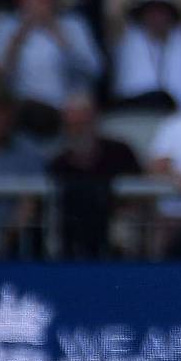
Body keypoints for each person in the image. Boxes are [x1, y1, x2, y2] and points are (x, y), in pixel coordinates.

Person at [0, 0, 104, 135]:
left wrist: (58, 34)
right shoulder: (6, 26)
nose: (38, 0)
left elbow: (94, 70)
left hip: (65, 110)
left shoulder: (74, 25)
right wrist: (20, 36)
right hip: (21, 111)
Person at [45, 91, 142, 258]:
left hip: (116, 223)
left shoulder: (120, 152)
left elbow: (140, 193)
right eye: (73, 125)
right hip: (71, 228)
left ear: (95, 120)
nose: (79, 130)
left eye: (84, 122)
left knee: (125, 226)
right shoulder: (58, 163)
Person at [0, 72, 46, 257]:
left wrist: (3, 240)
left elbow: (30, 202)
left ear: (11, 113)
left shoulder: (29, 152)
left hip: (17, 250)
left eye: (1, 111)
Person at [110, 0, 181, 110]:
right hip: (136, 115)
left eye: (162, 11)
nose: (156, 17)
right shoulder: (126, 40)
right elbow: (114, 11)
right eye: (151, 11)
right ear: (141, 14)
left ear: (172, 14)